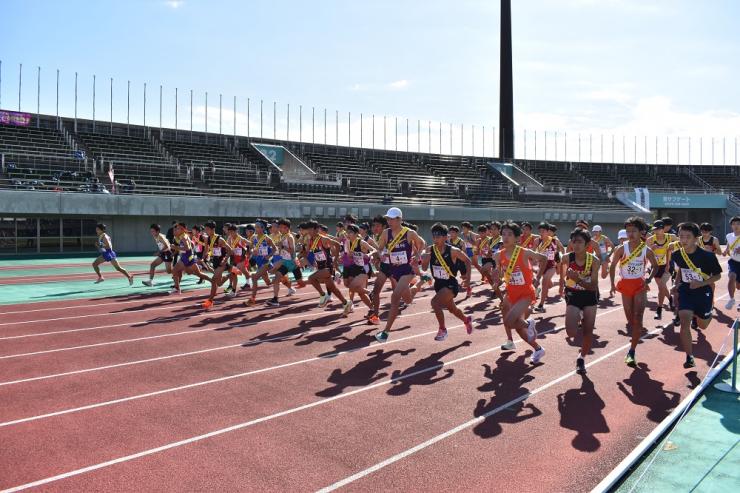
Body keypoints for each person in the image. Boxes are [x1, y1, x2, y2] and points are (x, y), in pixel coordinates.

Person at [671, 222, 722, 368]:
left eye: (688, 236)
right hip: (686, 291)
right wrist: (676, 284)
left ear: (696, 238)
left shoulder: (707, 256)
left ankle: (706, 314)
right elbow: (681, 269)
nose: (684, 240)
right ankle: (689, 356)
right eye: (681, 236)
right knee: (684, 320)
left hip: (703, 291)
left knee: (703, 325)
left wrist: (700, 284)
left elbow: (717, 276)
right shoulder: (677, 254)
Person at [610, 216, 658, 367]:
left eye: (634, 231)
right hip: (625, 285)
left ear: (641, 232)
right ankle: (635, 335)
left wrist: (648, 280)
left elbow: (656, 267)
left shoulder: (646, 250)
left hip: (639, 285)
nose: (630, 234)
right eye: (628, 231)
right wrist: (612, 285)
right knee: (630, 320)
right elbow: (612, 267)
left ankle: (631, 351)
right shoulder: (621, 248)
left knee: (638, 317)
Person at [497, 221, 547, 363]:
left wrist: (537, 278)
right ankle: (538, 349)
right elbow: (502, 273)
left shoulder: (524, 253)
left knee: (510, 321)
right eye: (504, 234)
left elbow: (543, 259)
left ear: (517, 238)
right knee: (516, 327)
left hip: (525, 294)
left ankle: (529, 324)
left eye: (510, 234)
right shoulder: (498, 255)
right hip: (510, 293)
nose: (505, 237)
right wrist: (498, 279)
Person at [374, 207, 426, 343]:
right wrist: (381, 254)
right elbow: (379, 249)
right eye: (388, 219)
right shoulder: (386, 233)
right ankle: (422, 281)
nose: (389, 221)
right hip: (394, 271)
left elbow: (422, 243)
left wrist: (418, 255)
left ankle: (385, 332)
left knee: (395, 297)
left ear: (399, 219)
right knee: (408, 300)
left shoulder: (409, 233)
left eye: (391, 219)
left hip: (407, 270)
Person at [420, 223, 473, 341]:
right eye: (433, 237)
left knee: (435, 303)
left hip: (450, 284)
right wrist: (424, 260)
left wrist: (468, 278)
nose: (435, 239)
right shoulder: (430, 249)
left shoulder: (453, 250)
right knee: (453, 309)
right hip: (438, 284)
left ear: (445, 237)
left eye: (438, 237)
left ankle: (442, 329)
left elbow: (468, 261)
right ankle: (466, 320)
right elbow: (423, 269)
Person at [562, 228, 601, 375]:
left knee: (588, 331)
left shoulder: (594, 261)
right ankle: (578, 316)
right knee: (570, 332)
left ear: (587, 244)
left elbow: (593, 286)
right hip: (573, 294)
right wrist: (562, 286)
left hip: (589, 296)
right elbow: (563, 274)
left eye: (580, 242)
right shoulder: (567, 258)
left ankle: (581, 358)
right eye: (574, 241)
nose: (576, 244)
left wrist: (577, 279)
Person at [303, 220, 350, 310]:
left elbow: (337, 244)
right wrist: (311, 260)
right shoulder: (310, 240)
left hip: (328, 267)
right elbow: (309, 253)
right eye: (308, 230)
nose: (309, 231)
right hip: (320, 267)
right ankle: (346, 303)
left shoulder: (323, 239)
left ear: (316, 229)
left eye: (310, 229)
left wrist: (335, 259)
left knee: (311, 278)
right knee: (333, 289)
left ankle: (323, 295)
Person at [339, 224, 376, 316]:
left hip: (360, 268)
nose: (348, 234)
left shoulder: (361, 242)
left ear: (356, 233)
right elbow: (347, 254)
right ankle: (372, 309)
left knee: (352, 288)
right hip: (350, 267)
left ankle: (370, 292)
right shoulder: (347, 242)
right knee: (351, 287)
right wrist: (342, 256)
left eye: (350, 232)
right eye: (347, 232)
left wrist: (368, 254)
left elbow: (374, 249)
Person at [170, 222, 212, 294]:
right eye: (176, 229)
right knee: (197, 273)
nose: (176, 230)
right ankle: (177, 288)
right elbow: (191, 245)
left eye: (178, 229)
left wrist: (175, 247)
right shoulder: (183, 236)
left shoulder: (183, 236)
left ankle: (177, 289)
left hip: (187, 258)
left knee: (175, 271)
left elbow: (187, 247)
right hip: (186, 257)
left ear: (182, 229)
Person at [201, 221, 233, 310]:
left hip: (221, 262)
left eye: (207, 229)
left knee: (214, 280)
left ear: (213, 229)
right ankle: (231, 274)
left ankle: (210, 301)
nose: (206, 231)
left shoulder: (220, 239)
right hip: (215, 262)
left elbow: (230, 250)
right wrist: (203, 258)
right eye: (205, 229)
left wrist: (225, 260)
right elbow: (206, 250)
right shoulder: (207, 239)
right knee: (219, 283)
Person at [245, 220, 278, 306]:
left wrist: (269, 256)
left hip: (265, 263)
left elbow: (275, 249)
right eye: (255, 227)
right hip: (259, 263)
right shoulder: (253, 238)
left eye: (258, 227)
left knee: (254, 278)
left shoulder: (267, 238)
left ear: (263, 228)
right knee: (268, 282)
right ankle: (284, 280)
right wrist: (251, 251)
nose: (256, 228)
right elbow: (251, 248)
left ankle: (252, 299)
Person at [646, 220, 673, 320]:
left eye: (658, 230)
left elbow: (681, 243)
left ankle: (659, 310)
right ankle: (670, 299)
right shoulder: (650, 240)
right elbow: (645, 253)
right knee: (661, 286)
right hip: (656, 266)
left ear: (663, 229)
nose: (656, 232)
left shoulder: (671, 237)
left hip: (668, 265)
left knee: (661, 286)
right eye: (654, 230)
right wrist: (652, 248)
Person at [534, 222, 563, 312]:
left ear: (548, 231)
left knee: (545, 280)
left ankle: (541, 305)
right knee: (549, 285)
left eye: (543, 231)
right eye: (540, 231)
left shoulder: (554, 240)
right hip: (541, 266)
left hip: (551, 265)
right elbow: (533, 253)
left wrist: (557, 254)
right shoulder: (537, 241)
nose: (541, 233)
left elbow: (562, 249)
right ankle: (560, 283)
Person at [722, 216, 740, 310]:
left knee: (738, 286)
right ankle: (731, 299)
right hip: (733, 261)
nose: (736, 226)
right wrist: (726, 251)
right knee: (731, 276)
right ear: (731, 226)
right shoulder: (729, 235)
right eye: (734, 224)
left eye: (738, 224)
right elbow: (729, 245)